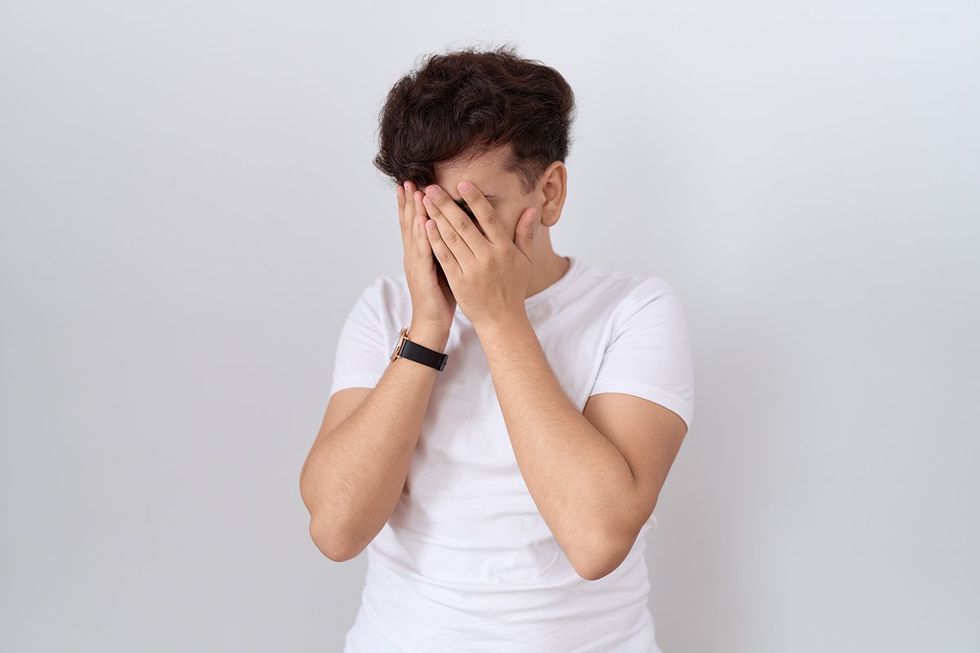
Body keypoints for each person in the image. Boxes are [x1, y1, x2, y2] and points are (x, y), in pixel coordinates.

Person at [299, 43, 695, 653]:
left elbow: (596, 540)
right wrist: (429, 325)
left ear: (551, 193)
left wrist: (501, 319)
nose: (449, 236)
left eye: (471, 208)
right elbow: (336, 529)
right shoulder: (383, 313)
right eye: (428, 211)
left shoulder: (635, 312)